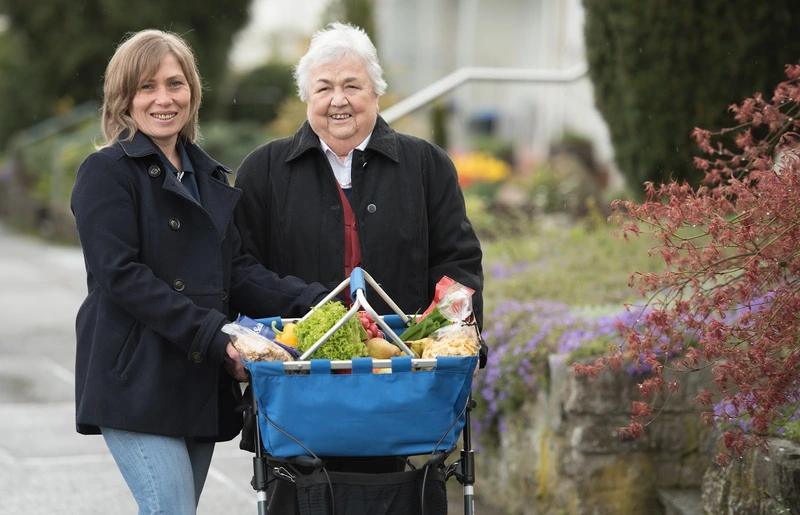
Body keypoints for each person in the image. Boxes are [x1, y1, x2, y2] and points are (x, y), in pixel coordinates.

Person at [70, 29, 328, 515]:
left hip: (194, 381)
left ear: (193, 90)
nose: (163, 99)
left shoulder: (207, 177)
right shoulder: (105, 173)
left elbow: (240, 273)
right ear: (123, 99)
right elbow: (122, 276)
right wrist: (216, 336)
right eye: (146, 87)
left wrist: (319, 304)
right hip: (136, 379)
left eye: (175, 83)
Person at [233, 21, 485, 512]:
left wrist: (451, 339)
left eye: (352, 85)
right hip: (301, 388)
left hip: (403, 385)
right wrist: (310, 303)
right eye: (324, 87)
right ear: (307, 95)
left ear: (376, 92)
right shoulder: (263, 170)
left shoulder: (426, 166)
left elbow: (458, 264)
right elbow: (240, 269)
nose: (338, 100)